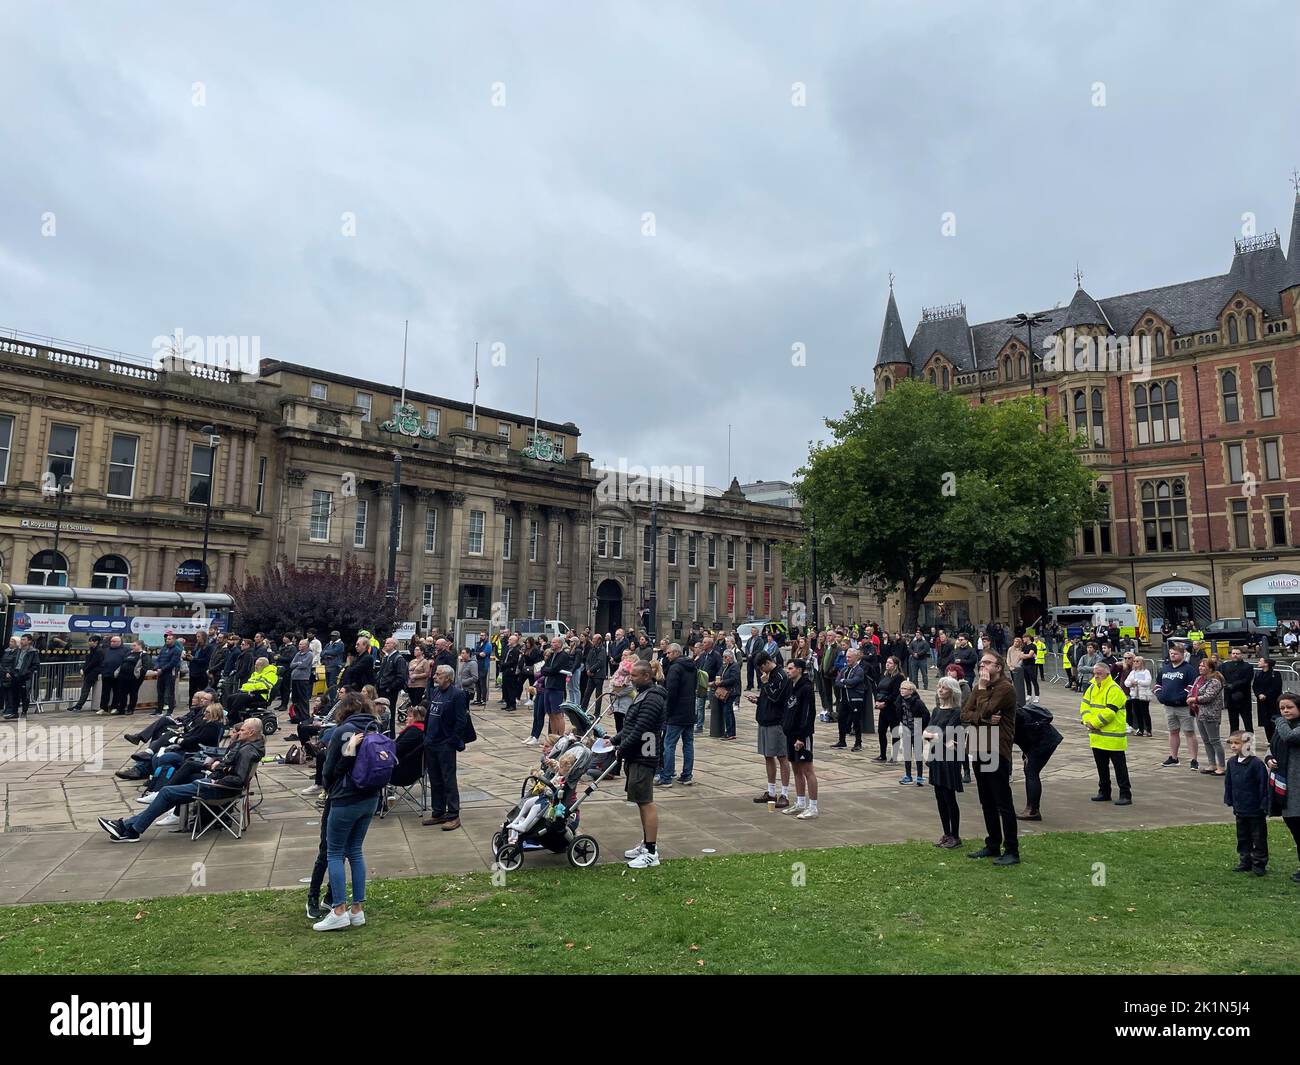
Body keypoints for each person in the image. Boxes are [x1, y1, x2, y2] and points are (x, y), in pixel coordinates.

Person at [99, 718, 264, 842]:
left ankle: (131, 829)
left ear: (251, 733)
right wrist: (221, 767)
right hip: (216, 783)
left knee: (167, 791)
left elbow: (238, 780)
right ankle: (129, 827)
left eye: (242, 730)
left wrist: (216, 781)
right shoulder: (248, 747)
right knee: (171, 792)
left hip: (219, 789)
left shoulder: (246, 752)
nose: (238, 732)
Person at [311, 692, 384, 931]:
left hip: (346, 797)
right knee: (355, 851)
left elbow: (330, 770)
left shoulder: (344, 731)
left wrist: (328, 784)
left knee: (334, 853)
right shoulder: (375, 727)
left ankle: (338, 909)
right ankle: (357, 909)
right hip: (370, 797)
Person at [961, 650, 1019, 865]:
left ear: (999, 667)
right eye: (981, 663)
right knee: (986, 801)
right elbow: (965, 714)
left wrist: (982, 698)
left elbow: (989, 708)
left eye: (987, 663)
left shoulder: (1005, 689)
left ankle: (1012, 850)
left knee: (1003, 802)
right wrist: (982, 718)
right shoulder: (979, 687)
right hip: (977, 747)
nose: (982, 666)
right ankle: (993, 843)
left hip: (995, 750)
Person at [618, 659, 667, 868]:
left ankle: (651, 851)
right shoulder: (643, 694)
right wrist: (613, 740)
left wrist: (621, 749)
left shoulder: (653, 698)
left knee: (646, 801)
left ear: (646, 676)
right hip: (636, 754)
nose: (631, 679)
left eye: (635, 676)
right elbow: (630, 726)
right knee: (640, 800)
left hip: (644, 756)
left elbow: (640, 730)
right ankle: (646, 844)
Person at [421, 664, 470, 832]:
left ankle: (453, 814)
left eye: (439, 675)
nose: (435, 677)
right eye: (436, 674)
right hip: (431, 742)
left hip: (445, 744)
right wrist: (426, 736)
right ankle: (438, 811)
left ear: (448, 678)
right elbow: (430, 714)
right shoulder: (435, 691)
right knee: (435, 779)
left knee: (448, 779)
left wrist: (451, 741)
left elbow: (461, 721)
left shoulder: (457, 695)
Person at [1080, 660, 1133, 805]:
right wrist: (1087, 721)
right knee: (1101, 766)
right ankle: (1104, 791)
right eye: (1095, 673)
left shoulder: (1114, 689)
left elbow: (1110, 711)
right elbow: (1085, 705)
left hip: (1112, 736)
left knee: (1119, 767)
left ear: (1107, 674)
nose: (1096, 676)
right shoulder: (1092, 688)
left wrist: (1093, 723)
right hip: (1097, 736)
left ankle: (1125, 794)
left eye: (1099, 673)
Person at [746, 652, 791, 808]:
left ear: (766, 663)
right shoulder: (769, 676)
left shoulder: (780, 676)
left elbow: (777, 698)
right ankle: (771, 791)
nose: (761, 671)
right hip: (764, 720)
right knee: (767, 755)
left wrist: (765, 684)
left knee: (782, 756)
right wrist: (758, 700)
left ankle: (785, 793)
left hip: (776, 722)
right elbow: (767, 698)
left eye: (761, 668)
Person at [925, 677, 965, 847]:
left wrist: (937, 737)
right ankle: (946, 833)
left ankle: (955, 836)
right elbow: (927, 733)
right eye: (939, 687)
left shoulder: (956, 712)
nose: (940, 690)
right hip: (936, 756)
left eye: (944, 688)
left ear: (952, 691)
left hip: (950, 759)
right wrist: (937, 737)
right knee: (939, 797)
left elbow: (946, 734)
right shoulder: (936, 711)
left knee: (949, 797)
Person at [1264, 693, 1300, 883]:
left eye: (1289, 707)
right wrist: (1269, 759)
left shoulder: (1285, 726)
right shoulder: (1282, 727)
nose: (1285, 711)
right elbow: (1272, 747)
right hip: (1286, 787)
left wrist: (1278, 721)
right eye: (1282, 708)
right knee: (1295, 828)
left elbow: (1291, 737)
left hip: (1298, 787)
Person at [1224, 730, 1270, 876]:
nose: (1233, 746)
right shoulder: (1231, 762)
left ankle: (1259, 863)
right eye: (1231, 743)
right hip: (1240, 807)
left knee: (1258, 837)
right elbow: (1229, 783)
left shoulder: (1256, 764)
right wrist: (1229, 799)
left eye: (1237, 743)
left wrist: (1264, 805)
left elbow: (1263, 786)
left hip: (1255, 808)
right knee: (1243, 836)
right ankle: (1245, 860)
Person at [781, 658, 819, 818]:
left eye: (790, 668)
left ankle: (813, 806)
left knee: (807, 769)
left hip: (802, 735)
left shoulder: (806, 688)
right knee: (796, 769)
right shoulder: (791, 685)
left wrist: (801, 737)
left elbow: (808, 714)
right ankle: (800, 802)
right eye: (787, 668)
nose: (788, 671)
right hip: (790, 734)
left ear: (799, 670)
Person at [1156, 642, 1199, 771]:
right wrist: (1159, 695)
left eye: (1175, 653)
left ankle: (1194, 759)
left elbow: (1192, 686)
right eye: (1171, 653)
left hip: (1184, 707)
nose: (1173, 655)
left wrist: (1180, 697)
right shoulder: (1165, 668)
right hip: (1168, 706)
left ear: (1183, 654)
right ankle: (1174, 758)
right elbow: (1158, 684)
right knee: (1173, 731)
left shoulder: (1188, 669)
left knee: (1189, 732)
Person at [657, 643, 696, 787]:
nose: (666, 655)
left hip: (676, 713)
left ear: (675, 653)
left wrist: (667, 712)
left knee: (669, 745)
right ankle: (687, 775)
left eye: (668, 653)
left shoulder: (675, 668)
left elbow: (671, 693)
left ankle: (666, 777)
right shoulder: (692, 666)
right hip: (689, 711)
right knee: (688, 744)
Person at [1189, 656, 1227, 777]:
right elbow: (1193, 689)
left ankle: (1221, 766)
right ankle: (1212, 764)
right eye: (1200, 666)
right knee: (1206, 741)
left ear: (1210, 668)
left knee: (1215, 740)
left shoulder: (1215, 681)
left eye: (1203, 666)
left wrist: (1194, 699)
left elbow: (1208, 696)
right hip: (1200, 713)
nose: (1200, 668)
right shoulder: (1199, 679)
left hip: (1211, 714)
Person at [834, 647, 869, 751]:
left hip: (855, 699)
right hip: (844, 699)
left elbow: (854, 682)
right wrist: (845, 683)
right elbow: (837, 682)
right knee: (841, 720)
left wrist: (844, 682)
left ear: (855, 657)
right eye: (846, 657)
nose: (847, 659)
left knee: (856, 721)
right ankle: (842, 741)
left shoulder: (859, 670)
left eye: (849, 657)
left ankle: (858, 743)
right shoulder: (844, 669)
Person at [896, 680, 929, 785]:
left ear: (911, 691)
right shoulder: (899, 700)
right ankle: (908, 775)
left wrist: (921, 727)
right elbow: (899, 713)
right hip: (906, 729)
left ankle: (919, 776)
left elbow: (926, 715)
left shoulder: (917, 702)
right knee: (907, 754)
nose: (902, 690)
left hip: (916, 730)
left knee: (918, 754)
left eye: (905, 689)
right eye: (901, 688)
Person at [873, 655, 903, 762]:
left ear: (895, 665)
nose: (887, 664)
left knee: (894, 732)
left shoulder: (899, 677)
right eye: (887, 662)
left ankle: (894, 756)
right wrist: (877, 701)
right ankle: (882, 754)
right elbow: (879, 689)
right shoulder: (885, 675)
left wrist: (884, 703)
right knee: (881, 731)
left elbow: (895, 694)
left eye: (890, 663)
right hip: (883, 708)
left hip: (893, 708)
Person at [1219, 647, 1255, 736]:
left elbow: (1247, 680)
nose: (1235, 655)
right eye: (1233, 653)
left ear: (1241, 655)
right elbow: (1220, 676)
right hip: (1230, 697)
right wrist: (1225, 684)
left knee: (1247, 720)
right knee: (1233, 719)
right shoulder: (1225, 665)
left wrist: (1233, 685)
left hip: (1243, 696)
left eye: (1237, 653)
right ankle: (1233, 736)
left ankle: (1250, 737)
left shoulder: (1248, 666)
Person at [68, 635, 104, 713]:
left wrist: (85, 670)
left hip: (93, 673)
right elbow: (88, 661)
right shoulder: (92, 650)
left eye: (91, 641)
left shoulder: (98, 651)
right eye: (89, 641)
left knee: (85, 690)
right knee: (85, 690)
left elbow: (93, 663)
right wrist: (83, 669)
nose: (89, 643)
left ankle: (78, 706)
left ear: (96, 642)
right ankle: (78, 705)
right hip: (89, 672)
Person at [714, 648, 741, 740]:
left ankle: (730, 732)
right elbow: (719, 674)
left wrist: (721, 682)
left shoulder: (735, 666)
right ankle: (730, 731)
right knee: (728, 712)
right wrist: (717, 681)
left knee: (728, 711)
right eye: (723, 657)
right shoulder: (724, 666)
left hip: (731, 692)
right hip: (724, 691)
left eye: (725, 657)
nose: (724, 659)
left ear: (730, 657)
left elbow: (734, 679)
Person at [1124, 656, 1153, 738]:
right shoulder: (1132, 672)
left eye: (1138, 661)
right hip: (1134, 695)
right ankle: (1140, 729)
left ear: (1142, 662)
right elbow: (1126, 682)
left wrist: (1137, 682)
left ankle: (1148, 730)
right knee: (1137, 713)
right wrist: (1131, 683)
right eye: (1134, 661)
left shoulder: (1146, 672)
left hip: (1143, 695)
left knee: (1145, 713)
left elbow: (1148, 682)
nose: (1135, 663)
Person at [1254, 658, 1283, 742]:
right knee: (1265, 722)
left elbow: (1276, 687)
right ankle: (1269, 740)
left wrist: (1266, 695)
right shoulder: (1258, 674)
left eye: (1260, 661)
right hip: (1262, 702)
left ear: (1266, 664)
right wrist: (1258, 694)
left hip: (1272, 701)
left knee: (1273, 721)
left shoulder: (1275, 674)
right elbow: (1255, 686)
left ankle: (1276, 740)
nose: (1258, 662)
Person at [154, 632, 182, 715]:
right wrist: (157, 667)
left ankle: (170, 711)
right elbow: (158, 659)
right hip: (161, 673)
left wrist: (162, 669)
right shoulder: (163, 648)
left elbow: (172, 662)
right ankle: (159, 709)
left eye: (169, 639)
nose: (167, 640)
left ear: (174, 640)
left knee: (170, 692)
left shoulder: (177, 650)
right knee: (160, 692)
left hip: (170, 673)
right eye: (166, 639)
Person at [289, 639, 315, 722]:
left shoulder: (309, 654)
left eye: (301, 644)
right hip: (295, 678)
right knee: (295, 699)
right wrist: (298, 663)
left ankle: (305, 716)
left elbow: (304, 665)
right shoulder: (298, 654)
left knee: (303, 698)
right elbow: (291, 665)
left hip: (303, 679)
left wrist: (298, 663)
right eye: (299, 644)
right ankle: (296, 716)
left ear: (306, 646)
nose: (299, 645)